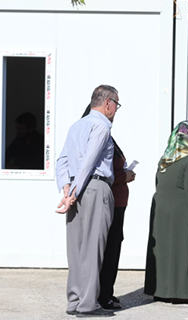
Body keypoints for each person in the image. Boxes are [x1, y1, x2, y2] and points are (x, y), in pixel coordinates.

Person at [55, 85, 121, 317]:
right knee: (93, 247)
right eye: (117, 105)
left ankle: (74, 300)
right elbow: (89, 162)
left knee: (76, 248)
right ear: (108, 103)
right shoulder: (101, 127)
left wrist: (66, 188)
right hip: (93, 187)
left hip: (76, 186)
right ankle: (87, 304)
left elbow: (61, 161)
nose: (116, 110)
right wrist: (73, 192)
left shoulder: (77, 125)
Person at [76, 106, 137, 310]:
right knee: (107, 247)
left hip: (118, 200)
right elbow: (100, 170)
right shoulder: (96, 134)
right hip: (109, 198)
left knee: (113, 244)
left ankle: (106, 292)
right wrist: (124, 176)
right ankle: (102, 296)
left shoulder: (107, 136)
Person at [144, 121, 188, 303]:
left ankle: (163, 290)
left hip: (162, 213)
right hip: (185, 212)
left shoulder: (166, 159)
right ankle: (187, 293)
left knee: (167, 251)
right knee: (186, 251)